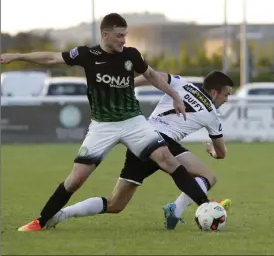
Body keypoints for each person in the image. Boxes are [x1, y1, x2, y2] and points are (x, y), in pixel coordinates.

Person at [0, 13, 211, 231]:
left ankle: (205, 206)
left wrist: (175, 96)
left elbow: (151, 75)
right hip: (102, 126)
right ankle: (41, 221)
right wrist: (18, 56)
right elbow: (52, 58)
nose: (123, 40)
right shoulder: (86, 54)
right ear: (105, 34)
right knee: (76, 179)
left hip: (133, 122)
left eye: (125, 35)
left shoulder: (131, 55)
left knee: (166, 159)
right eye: (119, 36)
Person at [44, 71, 233, 230]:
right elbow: (222, 153)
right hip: (162, 143)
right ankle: (177, 209)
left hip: (141, 139)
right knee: (209, 176)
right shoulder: (211, 115)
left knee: (115, 204)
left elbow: (152, 74)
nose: (227, 100)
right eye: (226, 95)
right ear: (214, 93)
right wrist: (213, 153)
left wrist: (127, 86)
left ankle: (61, 215)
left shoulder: (181, 83)